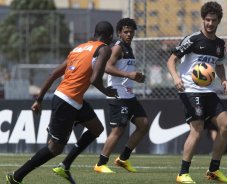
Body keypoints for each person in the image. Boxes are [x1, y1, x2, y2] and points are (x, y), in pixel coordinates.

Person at [5, 21, 117, 184]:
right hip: (67, 101)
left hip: (70, 98)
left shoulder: (78, 49)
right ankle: (16, 177)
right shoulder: (104, 48)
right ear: (110, 36)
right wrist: (107, 92)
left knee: (96, 128)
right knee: (54, 148)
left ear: (94, 33)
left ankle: (65, 165)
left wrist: (39, 99)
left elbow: (53, 74)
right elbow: (95, 79)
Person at [167, 1, 227, 183]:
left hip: (209, 92)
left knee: (226, 125)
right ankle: (182, 173)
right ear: (203, 20)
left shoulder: (220, 44)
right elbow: (171, 60)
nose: (210, 23)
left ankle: (213, 170)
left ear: (218, 21)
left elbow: (219, 64)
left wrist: (224, 79)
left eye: (214, 20)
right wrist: (176, 78)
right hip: (189, 90)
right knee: (197, 129)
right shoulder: (193, 39)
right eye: (207, 20)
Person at [94, 18, 149, 173]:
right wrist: (128, 75)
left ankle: (123, 159)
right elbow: (106, 67)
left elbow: (128, 73)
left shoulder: (129, 48)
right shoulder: (117, 47)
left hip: (129, 96)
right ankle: (100, 164)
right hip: (117, 94)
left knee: (143, 124)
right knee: (118, 130)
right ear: (119, 33)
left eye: (131, 32)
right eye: (126, 32)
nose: (129, 34)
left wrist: (137, 77)